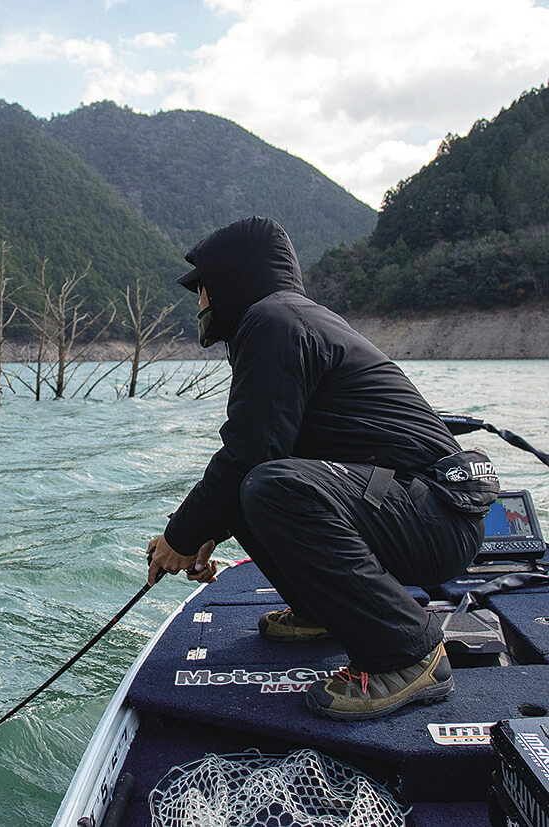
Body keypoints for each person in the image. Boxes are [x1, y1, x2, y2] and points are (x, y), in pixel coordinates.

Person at [145, 216, 498, 721]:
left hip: (436, 516)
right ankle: (321, 612)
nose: (199, 302)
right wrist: (208, 529)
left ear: (228, 281)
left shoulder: (275, 321)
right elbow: (261, 450)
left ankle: (407, 653)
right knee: (254, 486)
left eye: (201, 289)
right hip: (412, 506)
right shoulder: (284, 319)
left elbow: (251, 453)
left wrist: (181, 534)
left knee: (267, 483)